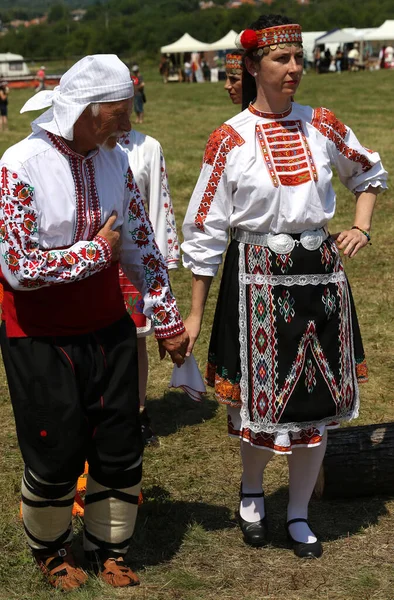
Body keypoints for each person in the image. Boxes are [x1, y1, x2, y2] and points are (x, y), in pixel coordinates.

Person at [182, 14, 387, 559]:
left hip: (320, 277)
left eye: (298, 58)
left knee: (319, 401)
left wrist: (361, 225)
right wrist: (197, 314)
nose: (294, 68)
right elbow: (204, 229)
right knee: (259, 400)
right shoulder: (230, 138)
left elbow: (368, 170)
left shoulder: (322, 123)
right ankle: (252, 493)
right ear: (253, 66)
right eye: (281, 59)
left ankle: (298, 513)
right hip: (256, 281)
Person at [0, 54, 188, 591]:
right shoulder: (20, 164)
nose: (129, 123)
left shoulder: (114, 161)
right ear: (87, 110)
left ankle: (109, 546)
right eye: (121, 112)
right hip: (39, 334)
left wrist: (167, 317)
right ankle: (51, 550)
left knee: (119, 442)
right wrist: (93, 252)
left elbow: (142, 247)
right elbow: (18, 267)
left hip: (107, 325)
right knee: (55, 448)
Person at [118, 128, 180, 445]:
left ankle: (139, 413)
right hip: (94, 253)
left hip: (137, 254)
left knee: (136, 339)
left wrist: (162, 266)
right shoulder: (86, 143)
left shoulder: (147, 147)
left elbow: (159, 205)